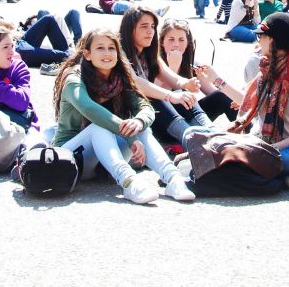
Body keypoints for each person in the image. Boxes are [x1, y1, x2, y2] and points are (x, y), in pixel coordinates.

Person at [50, 28, 194, 203]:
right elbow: (89, 108)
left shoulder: (120, 78)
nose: (107, 53)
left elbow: (145, 106)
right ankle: (129, 183)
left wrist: (139, 122)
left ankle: (173, 179)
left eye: (112, 48)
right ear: (87, 54)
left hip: (106, 155)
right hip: (71, 156)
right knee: (99, 127)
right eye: (100, 48)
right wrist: (131, 138)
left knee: (139, 127)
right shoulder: (73, 78)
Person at [194, 12, 289, 178]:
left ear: (272, 39)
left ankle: (225, 166)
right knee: (192, 134)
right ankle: (265, 171)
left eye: (260, 36)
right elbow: (248, 103)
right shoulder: (269, 67)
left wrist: (269, 149)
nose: (257, 41)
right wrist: (216, 79)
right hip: (263, 142)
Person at [119, 7, 211, 146]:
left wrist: (187, 83)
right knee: (156, 97)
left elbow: (172, 77)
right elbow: (135, 82)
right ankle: (196, 143)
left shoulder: (149, 52)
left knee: (183, 94)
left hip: (157, 116)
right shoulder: (119, 50)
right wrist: (171, 95)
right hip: (133, 118)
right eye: (144, 27)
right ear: (130, 29)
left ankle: (213, 133)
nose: (150, 31)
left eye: (153, 26)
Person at [159, 18, 237, 121]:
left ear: (187, 43)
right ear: (162, 42)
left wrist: (211, 78)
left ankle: (246, 129)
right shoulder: (156, 63)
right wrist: (173, 68)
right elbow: (158, 99)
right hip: (166, 120)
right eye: (171, 39)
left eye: (181, 40)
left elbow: (214, 94)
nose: (176, 44)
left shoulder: (192, 65)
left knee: (221, 97)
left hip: (190, 116)